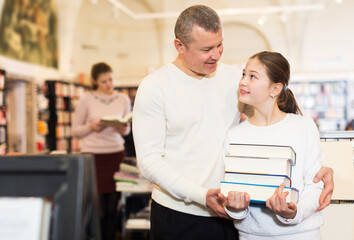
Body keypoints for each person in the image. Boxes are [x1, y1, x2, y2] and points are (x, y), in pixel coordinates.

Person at [132, 5, 333, 240]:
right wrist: (201, 195)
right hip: (178, 215)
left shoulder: (232, 79)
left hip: (232, 215)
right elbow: (149, 161)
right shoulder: (155, 87)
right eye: (206, 49)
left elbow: (280, 121)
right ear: (180, 46)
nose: (216, 55)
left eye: (219, 45)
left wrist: (322, 166)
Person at [221, 51, 324, 239]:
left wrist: (293, 213)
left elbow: (315, 185)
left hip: (301, 234)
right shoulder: (234, 135)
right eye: (243, 74)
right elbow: (231, 193)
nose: (243, 81)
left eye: (253, 76)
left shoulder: (303, 126)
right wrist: (235, 209)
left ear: (275, 89)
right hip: (251, 235)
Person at [72, 62, 131, 240]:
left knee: (113, 208)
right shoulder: (86, 99)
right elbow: (75, 131)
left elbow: (126, 130)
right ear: (94, 81)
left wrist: (121, 127)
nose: (109, 84)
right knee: (99, 209)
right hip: (93, 157)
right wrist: (91, 126)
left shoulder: (123, 99)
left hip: (116, 156)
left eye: (111, 79)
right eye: (104, 81)